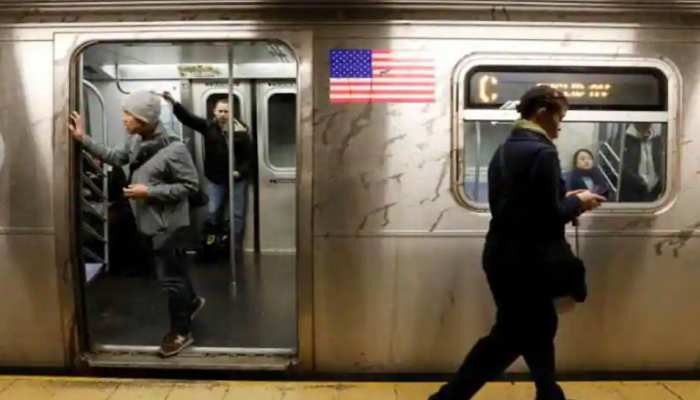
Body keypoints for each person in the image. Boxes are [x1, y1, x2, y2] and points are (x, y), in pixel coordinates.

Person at [428, 86, 605, 400]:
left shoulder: (505, 149)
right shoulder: (544, 152)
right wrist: (581, 203)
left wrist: (563, 198)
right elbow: (547, 217)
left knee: (539, 327)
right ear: (541, 113)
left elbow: (518, 205)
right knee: (510, 337)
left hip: (502, 254)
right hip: (529, 262)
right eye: (559, 116)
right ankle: (448, 398)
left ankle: (548, 393)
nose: (561, 125)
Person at [68, 91, 205, 358]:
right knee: (174, 268)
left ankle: (181, 332)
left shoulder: (175, 149)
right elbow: (116, 157)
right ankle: (192, 301)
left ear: (143, 119)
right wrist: (82, 139)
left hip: (170, 224)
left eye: (128, 114)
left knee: (170, 279)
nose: (123, 119)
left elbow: (191, 186)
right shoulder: (136, 140)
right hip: (151, 221)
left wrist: (149, 192)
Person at [162, 92, 253, 261]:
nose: (223, 115)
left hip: (237, 179)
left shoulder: (241, 130)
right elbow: (188, 119)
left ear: (232, 113)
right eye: (220, 111)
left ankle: (234, 247)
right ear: (214, 112)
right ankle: (213, 244)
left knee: (237, 214)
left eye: (227, 112)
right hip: (216, 178)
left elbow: (248, 157)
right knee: (213, 211)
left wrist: (239, 171)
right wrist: (174, 103)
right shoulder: (208, 127)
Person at [618, 122, 664, 202]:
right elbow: (622, 168)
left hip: (657, 193)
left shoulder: (658, 140)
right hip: (632, 194)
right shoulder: (622, 140)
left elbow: (663, 165)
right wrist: (641, 183)